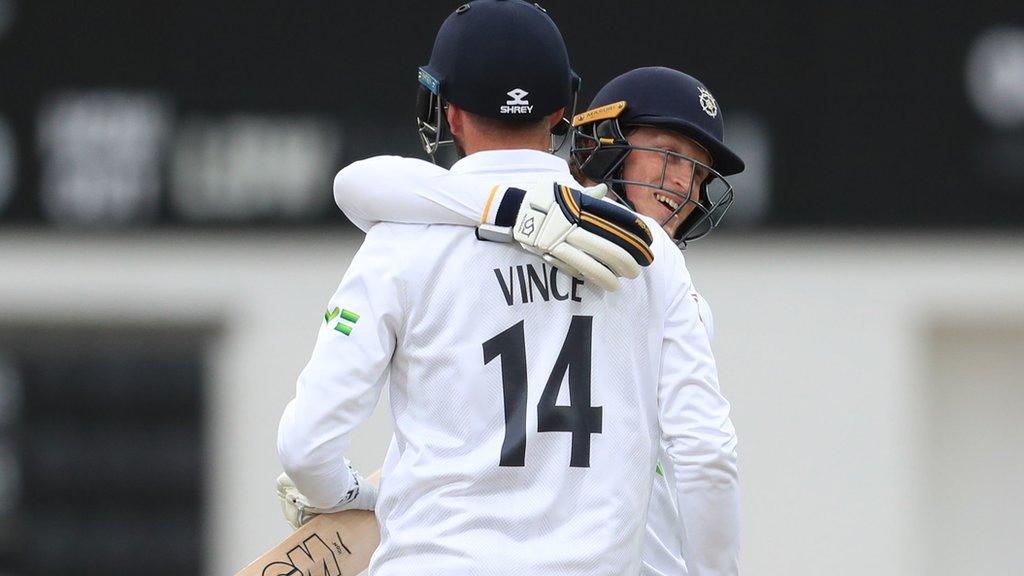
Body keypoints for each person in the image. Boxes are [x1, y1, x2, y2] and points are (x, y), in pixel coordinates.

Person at [273, 2, 716, 575]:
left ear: (449, 113)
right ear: (564, 110)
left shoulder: (400, 246)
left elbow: (306, 449)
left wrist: (355, 495)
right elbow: (708, 458)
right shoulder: (648, 257)